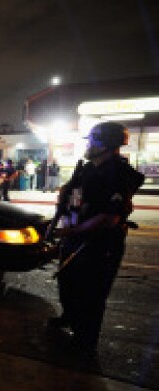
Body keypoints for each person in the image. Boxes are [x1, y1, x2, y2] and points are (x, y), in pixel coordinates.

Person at [51, 121, 144, 357]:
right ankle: (70, 318)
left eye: (93, 141)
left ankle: (84, 342)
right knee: (67, 283)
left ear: (106, 145)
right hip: (74, 235)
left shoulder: (119, 174)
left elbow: (109, 217)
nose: (89, 145)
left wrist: (73, 231)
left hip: (99, 243)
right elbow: (74, 195)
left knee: (91, 294)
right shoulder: (88, 168)